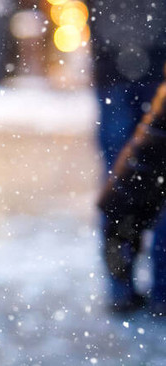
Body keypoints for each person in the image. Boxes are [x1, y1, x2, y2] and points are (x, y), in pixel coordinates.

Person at [76, 0, 166, 313]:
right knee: (164, 174)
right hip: (160, 71)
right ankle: (164, 288)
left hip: (111, 72)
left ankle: (120, 285)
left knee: (121, 177)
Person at [99, 66, 166, 316]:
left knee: (125, 177)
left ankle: (122, 288)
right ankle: (155, 290)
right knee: (130, 176)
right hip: (129, 64)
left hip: (117, 68)